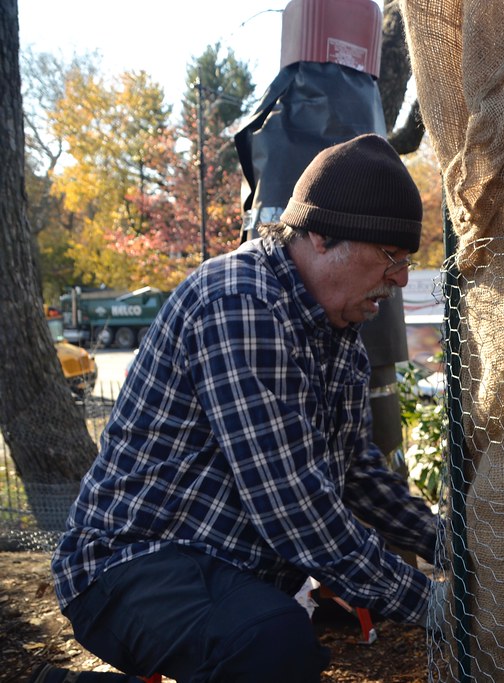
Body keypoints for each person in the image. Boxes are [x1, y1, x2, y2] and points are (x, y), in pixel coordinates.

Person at [39, 135, 438, 683]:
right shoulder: (239, 302)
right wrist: (433, 606)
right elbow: (294, 506)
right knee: (272, 646)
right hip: (130, 563)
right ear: (321, 236)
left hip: (224, 567)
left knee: (269, 635)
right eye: (391, 258)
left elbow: (358, 475)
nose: (400, 280)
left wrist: (451, 545)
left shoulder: (338, 326)